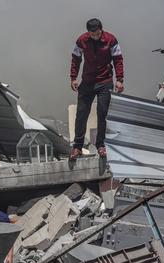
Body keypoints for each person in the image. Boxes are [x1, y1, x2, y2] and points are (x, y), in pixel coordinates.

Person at [70, 18, 124, 159]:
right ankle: (77, 147)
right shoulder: (81, 40)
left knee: (102, 113)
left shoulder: (111, 40)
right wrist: (73, 77)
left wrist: (119, 79)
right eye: (92, 34)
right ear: (88, 32)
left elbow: (118, 59)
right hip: (87, 82)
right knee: (81, 113)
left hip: (104, 82)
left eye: (97, 33)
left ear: (101, 29)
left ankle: (101, 145)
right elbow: (76, 58)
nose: (94, 36)